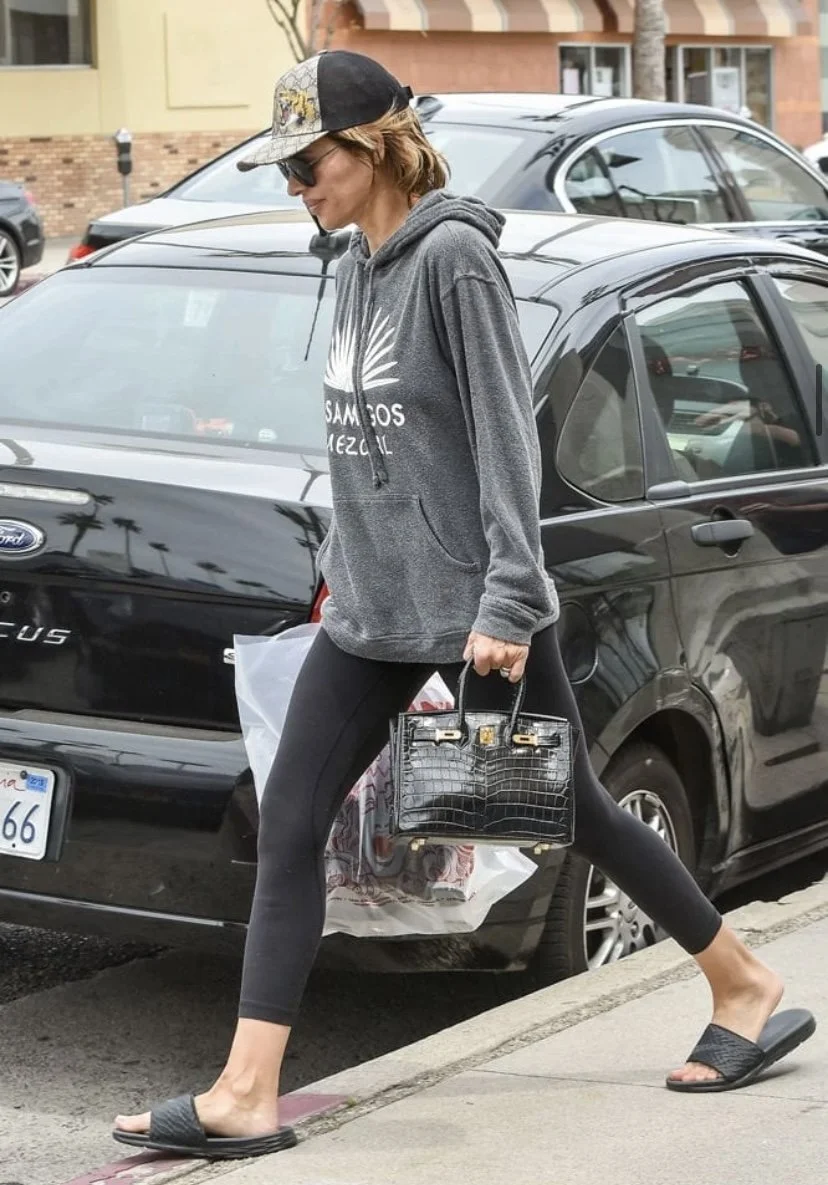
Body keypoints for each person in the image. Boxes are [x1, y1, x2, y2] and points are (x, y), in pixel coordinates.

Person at [113, 50, 815, 1159]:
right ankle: (246, 1093)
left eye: (311, 163)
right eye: (285, 169)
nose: (296, 185)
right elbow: (358, 447)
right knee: (290, 825)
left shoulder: (455, 265)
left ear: (375, 145)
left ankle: (744, 983)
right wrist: (345, 566)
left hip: (474, 611)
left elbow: (503, 444)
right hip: (373, 611)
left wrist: (506, 600)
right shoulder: (352, 261)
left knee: (569, 803)